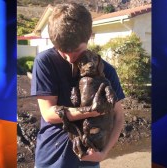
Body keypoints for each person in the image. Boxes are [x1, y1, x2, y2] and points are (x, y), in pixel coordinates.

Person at [31, 3, 125, 168]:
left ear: (89, 35)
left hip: (89, 160)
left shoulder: (105, 71)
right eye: (63, 51)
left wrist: (104, 153)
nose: (69, 58)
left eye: (76, 50)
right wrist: (92, 111)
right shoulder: (45, 62)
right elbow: (48, 113)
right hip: (52, 158)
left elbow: (119, 116)